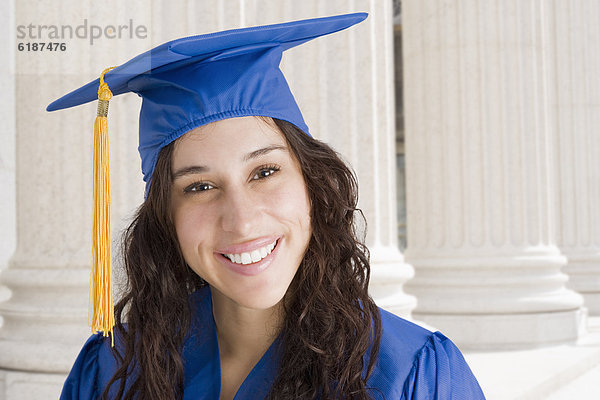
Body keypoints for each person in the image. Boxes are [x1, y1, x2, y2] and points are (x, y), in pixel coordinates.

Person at [48, 13, 486, 400]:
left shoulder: (413, 376)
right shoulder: (114, 368)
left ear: (312, 184)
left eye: (264, 172)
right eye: (200, 186)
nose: (241, 220)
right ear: (166, 217)